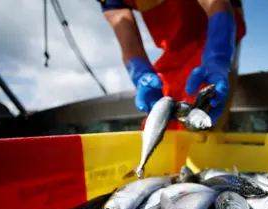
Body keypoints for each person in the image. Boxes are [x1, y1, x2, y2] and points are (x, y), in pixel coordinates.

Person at [99, 0, 246, 131]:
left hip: (218, 31)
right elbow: (126, 35)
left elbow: (217, 3)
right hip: (174, 48)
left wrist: (217, 57)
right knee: (161, 125)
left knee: (203, 119)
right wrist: (140, 74)